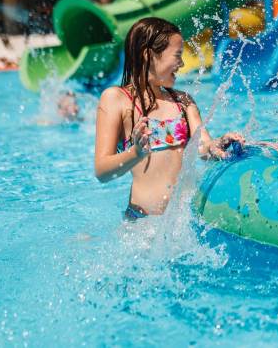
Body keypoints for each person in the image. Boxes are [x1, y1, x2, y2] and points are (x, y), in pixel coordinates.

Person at [94, 17, 244, 220]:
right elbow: (102, 171)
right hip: (142, 224)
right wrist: (136, 153)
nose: (182, 63)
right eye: (177, 55)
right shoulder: (117, 99)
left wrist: (218, 144)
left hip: (184, 222)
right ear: (148, 55)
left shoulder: (183, 101)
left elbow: (203, 147)